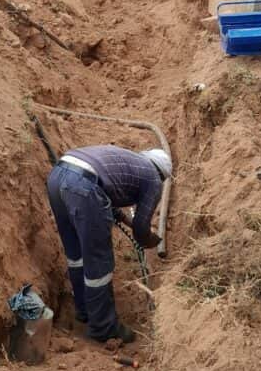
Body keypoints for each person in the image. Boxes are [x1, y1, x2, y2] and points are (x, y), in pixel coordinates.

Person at [46, 145, 171, 343]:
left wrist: (127, 221)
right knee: (99, 263)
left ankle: (85, 310)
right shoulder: (153, 179)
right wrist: (148, 240)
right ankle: (103, 327)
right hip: (82, 186)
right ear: (162, 175)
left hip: (58, 175)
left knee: (76, 254)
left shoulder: (130, 162)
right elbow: (141, 226)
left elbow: (107, 195)